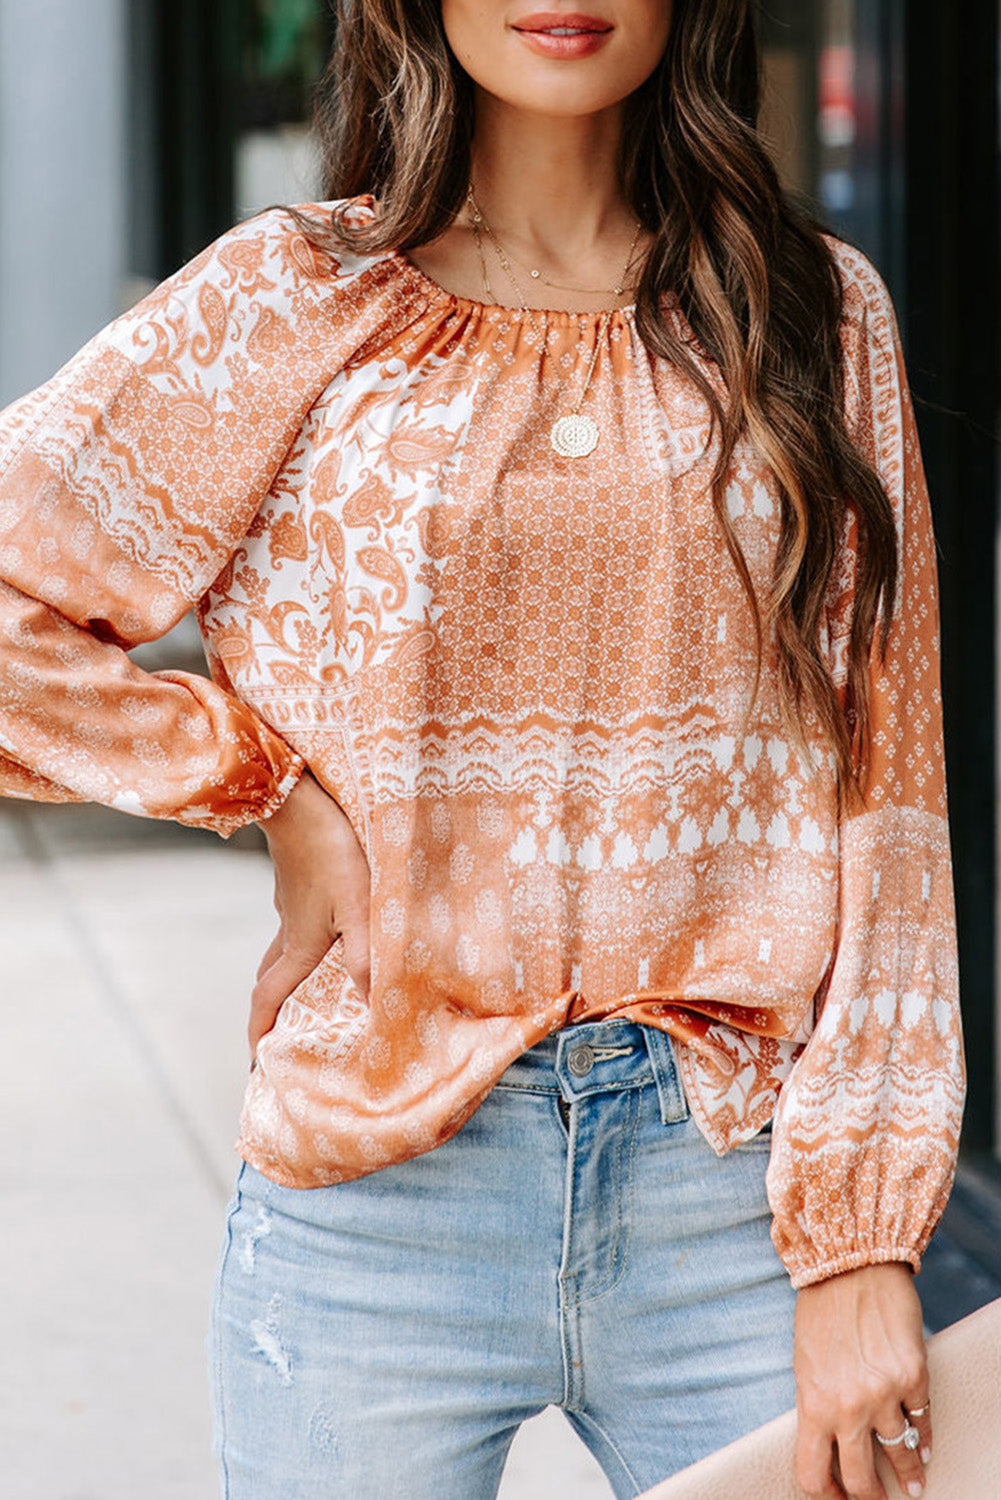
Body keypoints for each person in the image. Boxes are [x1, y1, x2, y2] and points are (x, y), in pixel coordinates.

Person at [0, 2, 965, 1497]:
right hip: (379, 1189)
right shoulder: (294, 301)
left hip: (733, 1188)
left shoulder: (816, 318)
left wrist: (861, 1232)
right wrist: (258, 785)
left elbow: (887, 793)